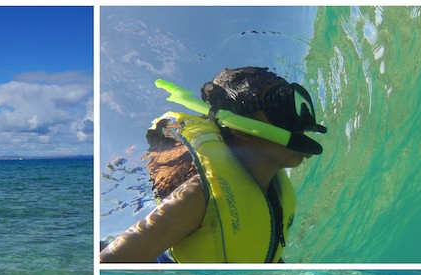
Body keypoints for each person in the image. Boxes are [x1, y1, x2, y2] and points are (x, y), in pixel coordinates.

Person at [100, 67, 327, 263]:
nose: (298, 121)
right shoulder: (199, 197)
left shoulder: (275, 193)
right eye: (279, 104)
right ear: (238, 126)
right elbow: (110, 262)